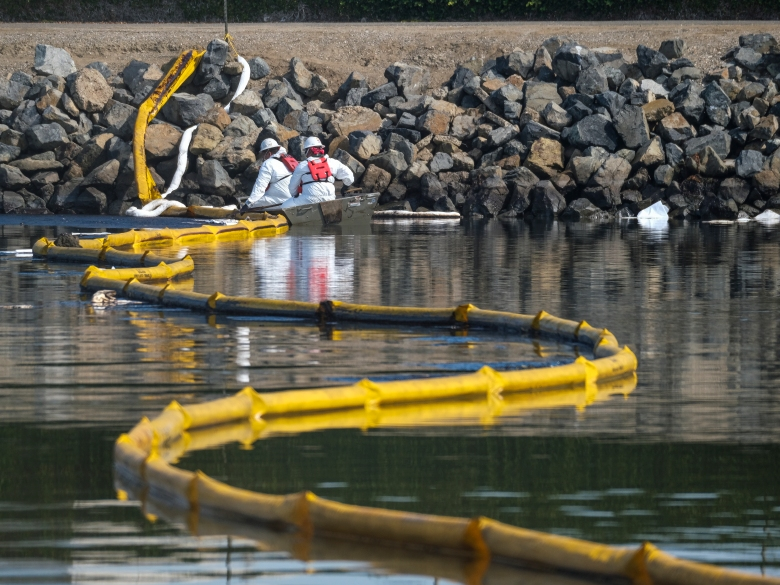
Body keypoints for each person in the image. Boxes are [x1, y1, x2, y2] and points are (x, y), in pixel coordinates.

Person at [283, 136, 354, 209]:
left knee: (284, 206)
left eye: (305, 151)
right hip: (330, 199)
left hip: (309, 199)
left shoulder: (302, 165)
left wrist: (295, 195)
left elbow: (292, 186)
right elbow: (349, 176)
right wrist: (345, 187)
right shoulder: (333, 162)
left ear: (309, 150)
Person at [240, 138, 299, 213]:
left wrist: (248, 204)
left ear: (268, 153)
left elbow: (260, 187)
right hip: (295, 198)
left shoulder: (268, 163)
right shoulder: (288, 159)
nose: (262, 157)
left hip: (282, 200)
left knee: (249, 205)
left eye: (262, 154)